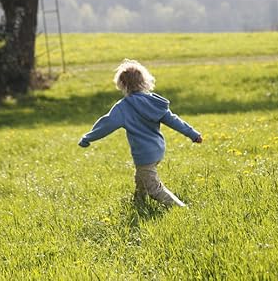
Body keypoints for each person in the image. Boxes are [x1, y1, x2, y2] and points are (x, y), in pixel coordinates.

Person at [78, 59, 202, 207]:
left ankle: (182, 208)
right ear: (145, 81)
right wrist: (193, 134)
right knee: (141, 179)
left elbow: (106, 124)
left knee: (154, 188)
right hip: (157, 149)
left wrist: (88, 137)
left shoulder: (123, 107)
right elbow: (174, 120)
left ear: (122, 84)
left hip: (144, 154)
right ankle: (138, 204)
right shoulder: (154, 103)